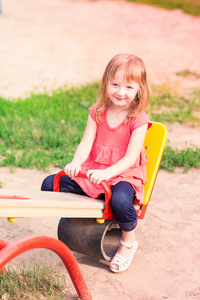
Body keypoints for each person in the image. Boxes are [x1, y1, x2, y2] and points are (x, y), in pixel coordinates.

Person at [41, 53, 152, 273]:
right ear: (106, 83)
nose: (120, 92)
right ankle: (85, 220)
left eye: (129, 87)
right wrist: (76, 163)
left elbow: (130, 158)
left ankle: (128, 241)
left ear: (140, 89)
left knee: (120, 200)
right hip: (96, 171)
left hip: (123, 173)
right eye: (115, 84)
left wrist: (108, 173)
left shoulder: (138, 118)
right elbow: (85, 143)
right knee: (50, 183)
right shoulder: (98, 110)